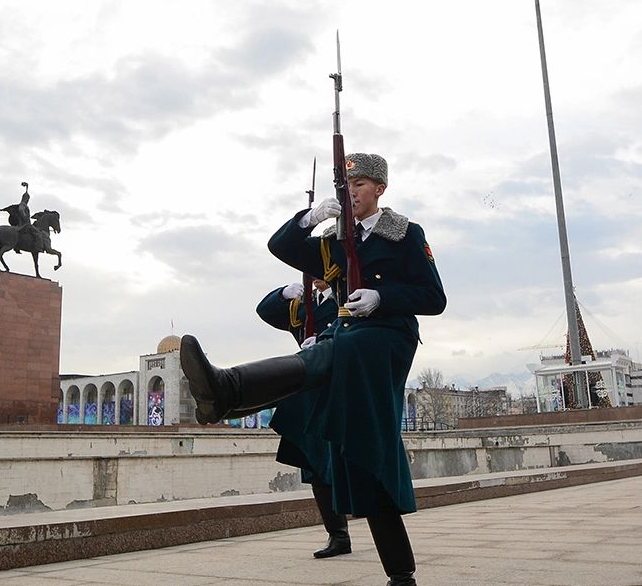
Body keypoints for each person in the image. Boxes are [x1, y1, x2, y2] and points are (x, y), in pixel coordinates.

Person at [181, 153, 445, 586]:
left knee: (334, 351)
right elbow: (280, 247)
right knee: (365, 451)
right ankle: (401, 575)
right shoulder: (335, 242)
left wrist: (383, 299)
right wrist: (310, 218)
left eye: (359, 184)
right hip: (345, 342)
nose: (352, 192)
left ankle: (230, 389)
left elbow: (434, 297)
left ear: (379, 189)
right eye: (346, 185)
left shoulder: (406, 235)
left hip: (386, 341)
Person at [254, 278, 350, 559]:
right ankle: (338, 535)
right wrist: (282, 294)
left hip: (340, 385)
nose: (315, 275)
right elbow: (266, 311)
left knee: (348, 461)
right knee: (314, 464)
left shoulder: (346, 296)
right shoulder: (304, 306)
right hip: (310, 390)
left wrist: (322, 341)